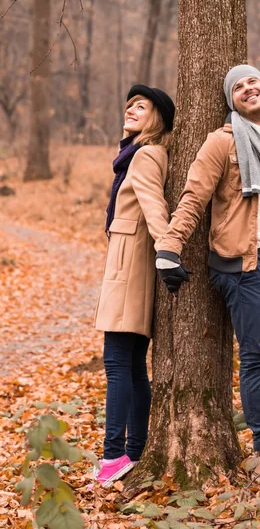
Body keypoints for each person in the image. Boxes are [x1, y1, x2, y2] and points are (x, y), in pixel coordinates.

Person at [155, 65, 260, 488]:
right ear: (232, 101)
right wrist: (169, 247)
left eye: (253, 81)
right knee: (259, 358)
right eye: (238, 87)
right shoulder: (222, 142)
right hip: (241, 264)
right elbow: (194, 195)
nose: (248, 88)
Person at [93, 84, 175, 487]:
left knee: (116, 362)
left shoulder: (145, 155)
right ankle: (135, 451)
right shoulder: (137, 154)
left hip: (131, 266)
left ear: (156, 118)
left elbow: (153, 204)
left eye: (140, 107)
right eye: (128, 106)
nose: (130, 111)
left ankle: (113, 455)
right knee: (132, 365)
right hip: (131, 264)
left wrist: (168, 249)